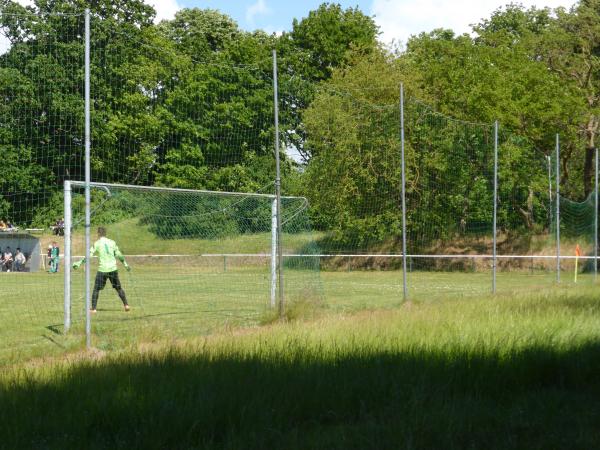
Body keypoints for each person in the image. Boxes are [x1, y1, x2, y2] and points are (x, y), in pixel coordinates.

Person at [73, 227, 131, 313]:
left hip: (103, 270)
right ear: (105, 233)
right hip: (113, 269)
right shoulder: (112, 242)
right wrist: (125, 264)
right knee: (118, 288)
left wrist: (79, 262)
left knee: (96, 289)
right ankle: (126, 305)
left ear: (98, 234)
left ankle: (93, 309)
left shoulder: (97, 243)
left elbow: (89, 255)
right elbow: (119, 254)